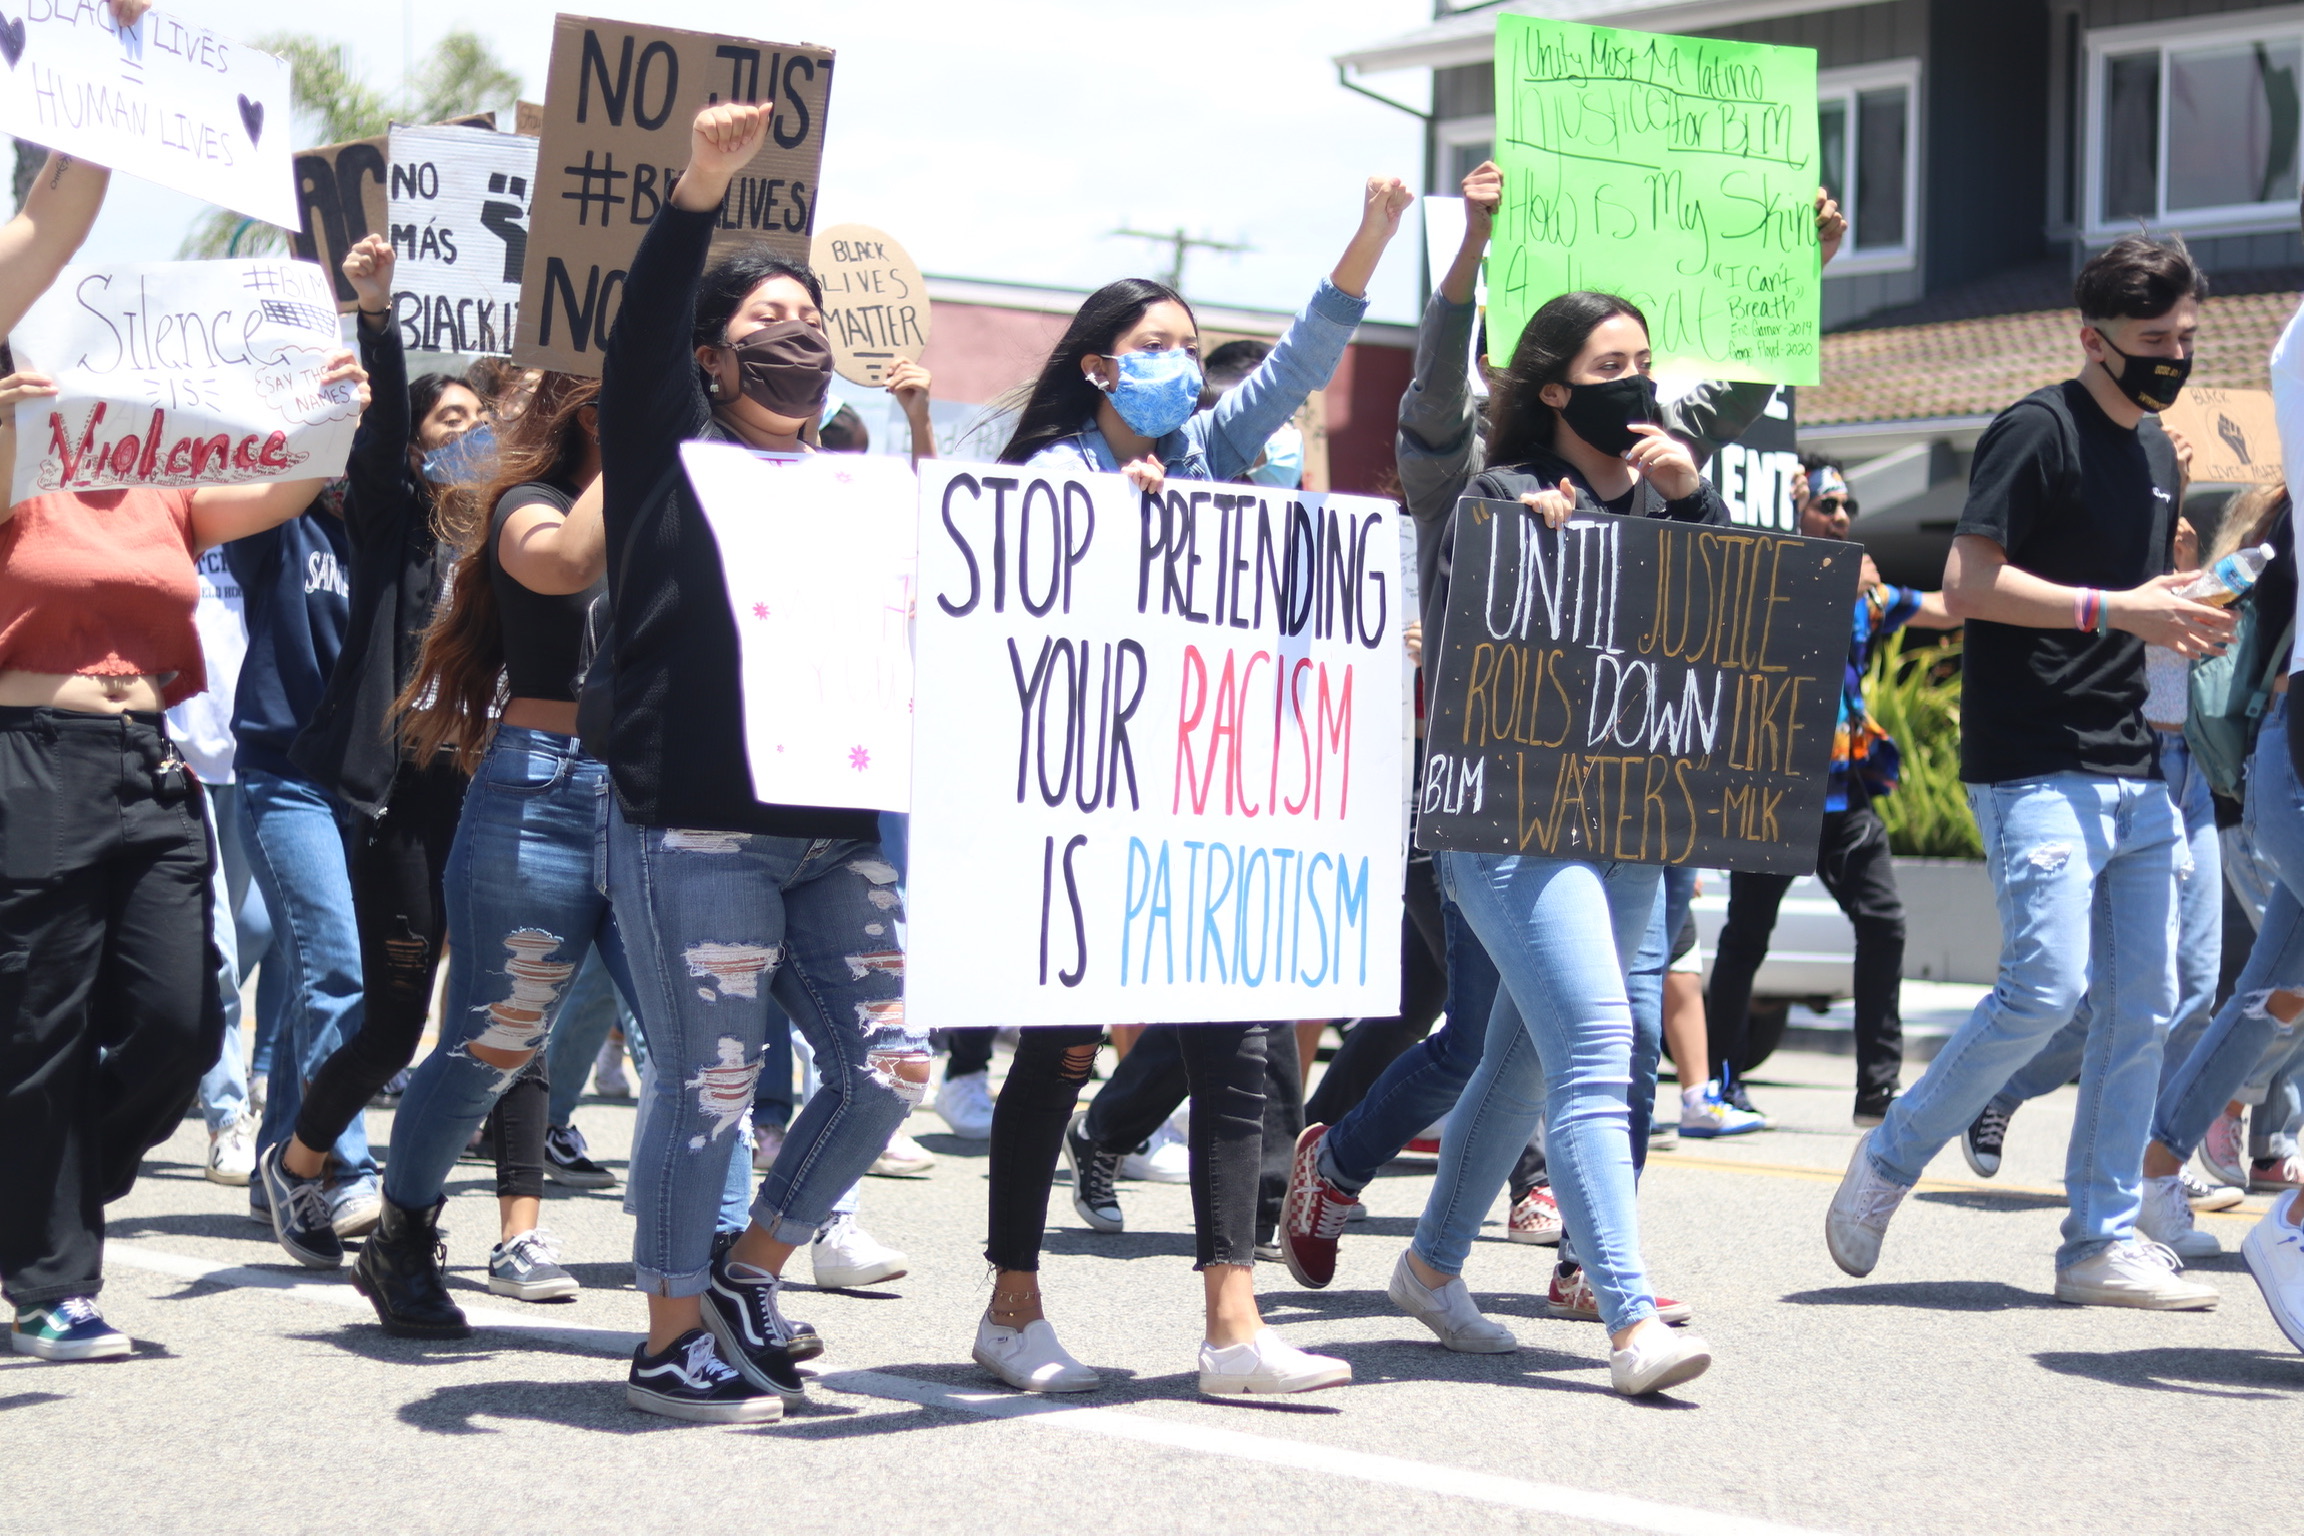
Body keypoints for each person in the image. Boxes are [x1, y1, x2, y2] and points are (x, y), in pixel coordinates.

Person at [1277, 164, 1841, 1321]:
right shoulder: (1474, 483)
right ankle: (1347, 1170)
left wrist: (1795, 284)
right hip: (1499, 816)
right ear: (1550, 390)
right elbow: (1434, 397)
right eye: (1608, 370)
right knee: (1495, 1036)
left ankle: (1519, 1263)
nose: (1633, 387)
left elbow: (1721, 605)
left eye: (1644, 367)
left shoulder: (1660, 486)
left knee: (1574, 1046)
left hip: (1635, 813)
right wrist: (1470, 244)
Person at [972, 170, 1410, 1399]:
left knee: (1238, 1054)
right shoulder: (1049, 475)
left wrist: (1367, 241)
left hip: (1198, 809)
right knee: (1056, 1056)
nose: (1179, 361)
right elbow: (1019, 612)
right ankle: (1012, 1305)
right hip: (1082, 809)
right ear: (1100, 368)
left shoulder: (1206, 450)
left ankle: (1233, 1330)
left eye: (1186, 342)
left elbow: (1296, 366)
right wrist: (1114, 523)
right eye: (1153, 344)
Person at [0, 127, 371, 1361]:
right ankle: (51, 1277)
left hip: (152, 767)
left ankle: (35, 1203)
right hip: (32, 758)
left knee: (181, 1023)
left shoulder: (160, 477)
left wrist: (337, 407)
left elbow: (282, 485)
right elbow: (46, 237)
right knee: (38, 1027)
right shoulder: (13, 453)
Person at [597, 101, 929, 1425]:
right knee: (713, 1084)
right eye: (765, 327)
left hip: (836, 826)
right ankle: (669, 1332)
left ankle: (751, 1270)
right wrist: (700, 189)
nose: (797, 340)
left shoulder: (856, 487)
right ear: (711, 364)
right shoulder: (672, 464)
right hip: (696, 827)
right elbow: (634, 350)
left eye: (812, 325)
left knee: (891, 1065)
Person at [1824, 234, 2229, 1310]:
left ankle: (2096, 1240)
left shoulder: (2154, 450)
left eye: (2186, 337)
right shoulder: (2035, 429)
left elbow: (2129, 602)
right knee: (2045, 986)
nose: (2174, 357)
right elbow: (1966, 584)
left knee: (2152, 1001)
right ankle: (1892, 1157)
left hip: (2137, 759)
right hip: (2035, 762)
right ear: (2092, 338)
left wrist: (2176, 621)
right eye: (2154, 341)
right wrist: (2121, 608)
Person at [251, 236, 491, 1271]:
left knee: (396, 1013)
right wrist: (380, 316)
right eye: (452, 424)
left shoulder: (508, 545)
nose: (471, 438)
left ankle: (295, 1154)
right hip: (324, 786)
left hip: (427, 803)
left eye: (484, 424)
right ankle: (326, 1173)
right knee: (335, 972)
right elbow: (386, 423)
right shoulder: (392, 524)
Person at [1705, 455, 1958, 1131]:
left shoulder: (1869, 595)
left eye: (1846, 508)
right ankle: (1718, 1085)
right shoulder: (1772, 579)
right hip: (1772, 799)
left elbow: (1951, 606)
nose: (1841, 519)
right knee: (1745, 940)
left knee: (1884, 924)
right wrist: (1794, 541)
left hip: (1847, 800)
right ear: (1798, 513)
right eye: (1826, 507)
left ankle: (1878, 1093)